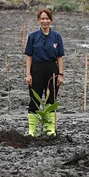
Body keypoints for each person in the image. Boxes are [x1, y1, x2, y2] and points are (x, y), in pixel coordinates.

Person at [24, 8, 65, 136]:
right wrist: (28, 74)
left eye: (47, 18)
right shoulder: (33, 36)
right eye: (42, 18)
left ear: (51, 20)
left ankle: (50, 129)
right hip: (36, 69)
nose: (45, 21)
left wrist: (60, 74)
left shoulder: (57, 37)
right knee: (34, 99)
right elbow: (29, 56)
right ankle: (32, 130)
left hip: (52, 69)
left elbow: (59, 57)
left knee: (51, 100)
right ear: (38, 20)